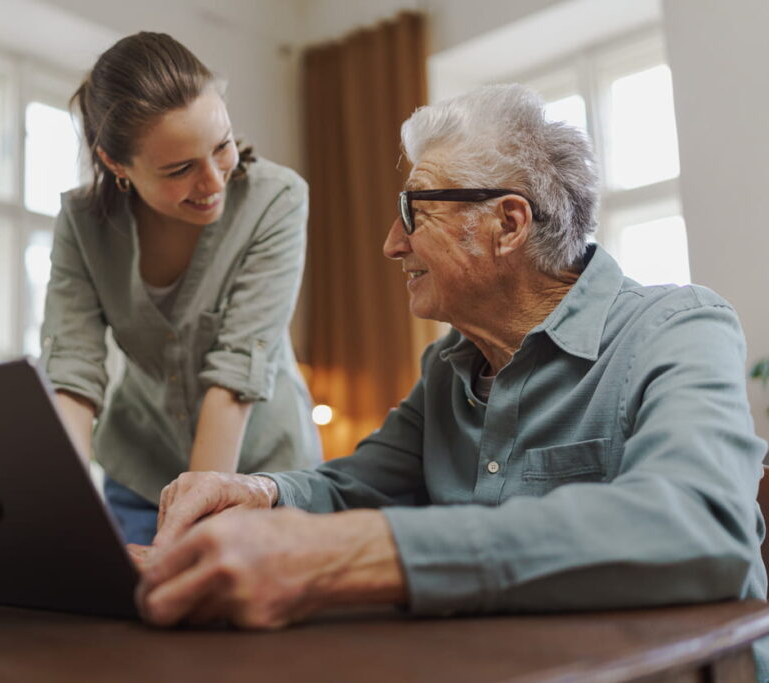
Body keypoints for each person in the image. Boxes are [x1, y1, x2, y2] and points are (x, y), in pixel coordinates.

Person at [135, 84, 769, 672]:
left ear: (508, 224)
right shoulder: (448, 366)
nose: (391, 244)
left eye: (413, 212)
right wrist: (260, 492)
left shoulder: (679, 328)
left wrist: (356, 556)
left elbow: (700, 526)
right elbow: (357, 487)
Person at [39, 32, 321, 545]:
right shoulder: (82, 223)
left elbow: (236, 373)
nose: (213, 181)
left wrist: (189, 532)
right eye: (180, 169)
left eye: (222, 147)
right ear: (116, 164)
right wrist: (61, 510)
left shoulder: (275, 200)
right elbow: (73, 375)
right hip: (141, 476)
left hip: (267, 480)